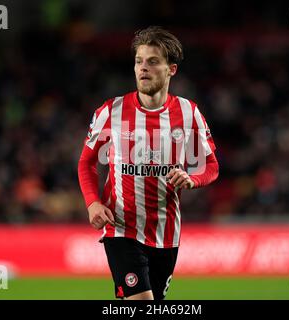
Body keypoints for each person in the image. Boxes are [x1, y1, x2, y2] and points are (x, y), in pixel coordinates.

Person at [78, 26, 219, 300]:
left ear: (171, 70)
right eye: (139, 61)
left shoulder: (189, 113)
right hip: (121, 227)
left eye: (153, 62)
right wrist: (93, 202)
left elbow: (211, 165)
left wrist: (193, 179)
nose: (143, 68)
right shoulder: (111, 111)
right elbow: (87, 162)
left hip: (166, 231)